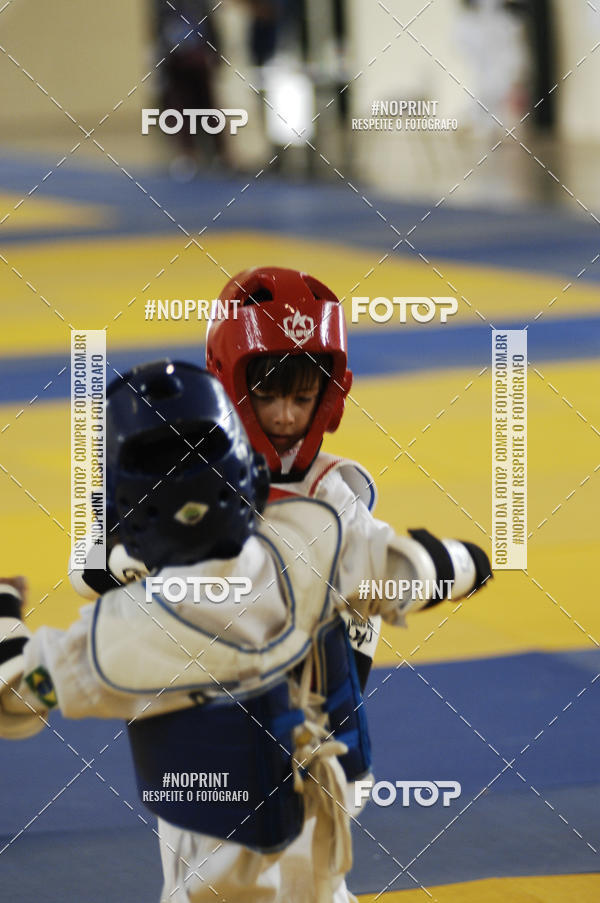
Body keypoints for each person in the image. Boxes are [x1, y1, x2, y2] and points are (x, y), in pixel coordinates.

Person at [1, 360, 491, 903]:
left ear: (124, 510)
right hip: (322, 834)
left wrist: (3, 609)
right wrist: (461, 565)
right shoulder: (313, 546)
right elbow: (426, 567)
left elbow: (15, 689)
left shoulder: (120, 636)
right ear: (248, 475)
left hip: (215, 864)